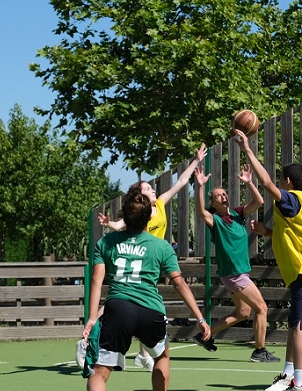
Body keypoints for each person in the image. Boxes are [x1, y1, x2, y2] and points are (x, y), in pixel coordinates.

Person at [75, 190, 210, 391]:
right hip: (151, 311)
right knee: (162, 357)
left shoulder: (105, 243)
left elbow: (96, 280)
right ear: (149, 219)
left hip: (118, 309)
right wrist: (200, 318)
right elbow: (179, 284)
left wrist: (92, 317)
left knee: (101, 369)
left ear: (124, 217)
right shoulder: (161, 246)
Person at [78, 144, 206, 372]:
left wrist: (196, 161)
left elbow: (180, 182)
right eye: (147, 188)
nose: (152, 189)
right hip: (139, 255)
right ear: (139, 195)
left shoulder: (159, 204)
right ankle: (91, 333)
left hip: (152, 258)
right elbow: (119, 225)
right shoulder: (136, 216)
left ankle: (142, 353)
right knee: (120, 303)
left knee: (140, 306)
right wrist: (108, 223)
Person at [243, 130, 302, 391]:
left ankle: (301, 385)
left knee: (299, 327)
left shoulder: (293, 198)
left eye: (282, 181)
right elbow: (289, 233)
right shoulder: (294, 207)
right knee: (296, 325)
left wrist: (247, 149)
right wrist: (266, 231)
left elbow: (267, 182)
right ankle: (289, 375)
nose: (278, 184)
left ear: (288, 181)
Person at [191, 146, 279, 362]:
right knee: (262, 308)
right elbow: (200, 212)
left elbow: (259, 202)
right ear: (213, 203)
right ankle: (259, 351)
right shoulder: (216, 221)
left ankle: (205, 335)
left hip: (238, 273)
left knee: (242, 313)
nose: (223, 197)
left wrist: (249, 182)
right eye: (218, 196)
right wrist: (200, 187)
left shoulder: (238, 214)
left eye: (224, 194)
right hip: (234, 274)